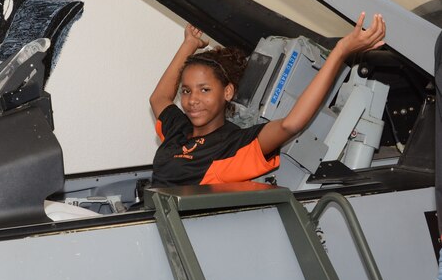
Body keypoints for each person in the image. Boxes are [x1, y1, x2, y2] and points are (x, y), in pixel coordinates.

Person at [150, 13, 386, 187]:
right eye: (187, 91)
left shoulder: (236, 144)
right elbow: (159, 98)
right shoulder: (178, 129)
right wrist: (189, 45)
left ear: (228, 93)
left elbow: (290, 124)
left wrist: (340, 52)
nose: (193, 100)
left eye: (204, 90)